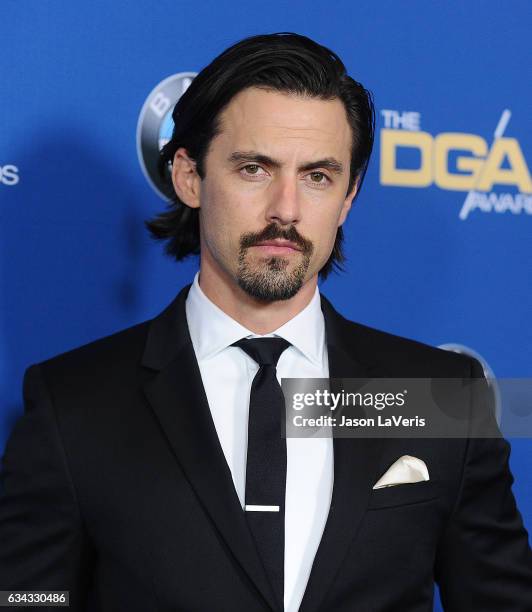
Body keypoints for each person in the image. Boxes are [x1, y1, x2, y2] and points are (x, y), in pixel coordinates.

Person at [0, 32, 531, 612]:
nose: (286, 208)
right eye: (255, 168)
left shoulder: (437, 396)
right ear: (189, 176)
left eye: (318, 176)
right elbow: (28, 598)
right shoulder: (74, 402)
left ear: (348, 197)